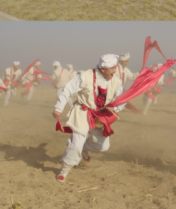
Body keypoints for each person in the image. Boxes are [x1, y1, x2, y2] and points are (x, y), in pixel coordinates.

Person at [53, 54, 125, 182]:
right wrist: (59, 108)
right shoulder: (84, 76)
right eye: (112, 68)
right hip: (82, 111)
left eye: (115, 67)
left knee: (102, 147)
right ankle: (65, 168)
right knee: (76, 143)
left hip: (101, 115)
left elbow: (123, 99)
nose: (115, 70)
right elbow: (68, 90)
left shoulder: (116, 81)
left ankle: (84, 149)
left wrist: (116, 108)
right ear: (103, 69)